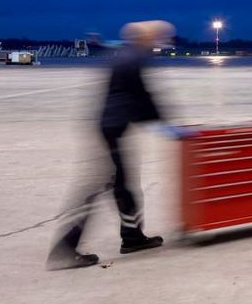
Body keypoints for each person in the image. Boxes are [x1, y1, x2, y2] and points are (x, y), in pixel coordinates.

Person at [47, 20, 175, 270]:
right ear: (148, 37)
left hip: (111, 127)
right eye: (160, 37)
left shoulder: (125, 54)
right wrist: (164, 125)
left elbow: (134, 97)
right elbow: (142, 97)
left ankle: (132, 237)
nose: (162, 42)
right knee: (99, 188)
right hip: (114, 130)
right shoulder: (134, 58)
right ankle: (64, 249)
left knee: (123, 187)